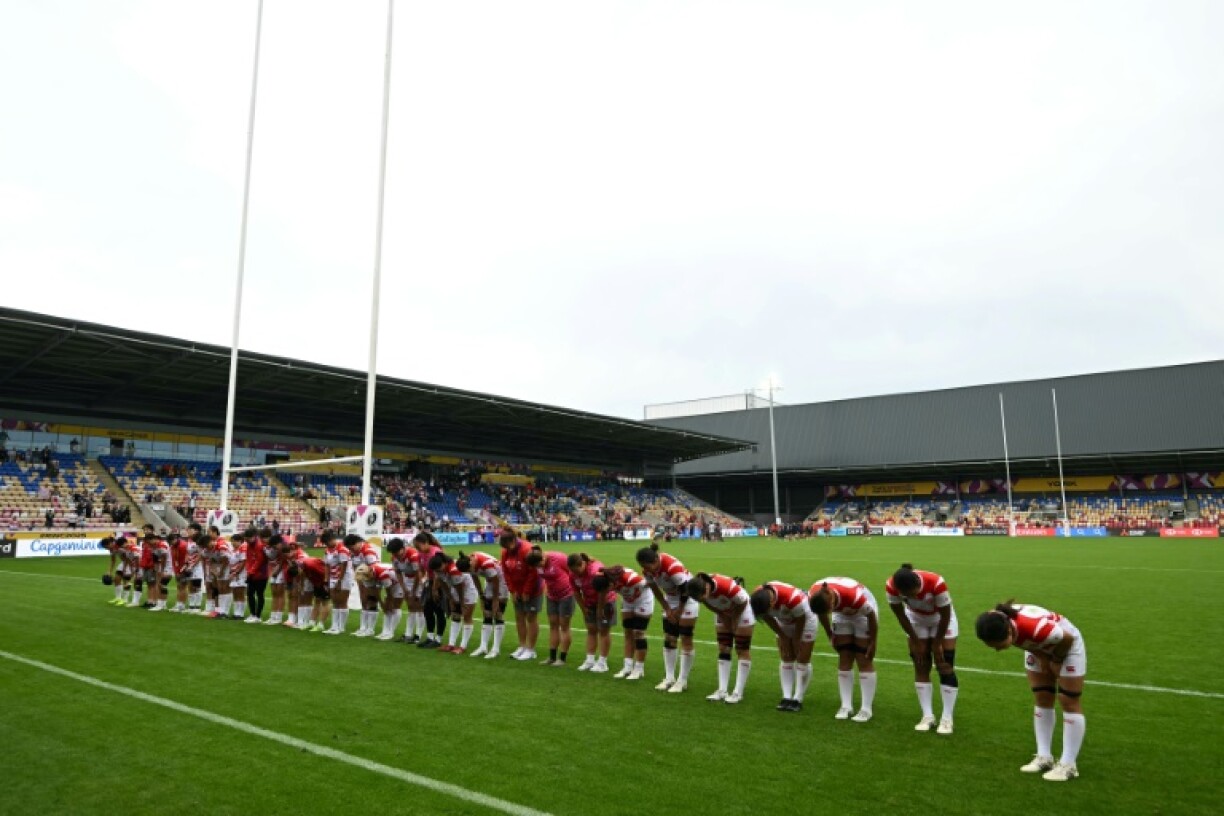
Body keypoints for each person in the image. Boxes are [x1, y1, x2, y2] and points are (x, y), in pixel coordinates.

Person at [975, 602, 1087, 782]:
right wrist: (1042, 657)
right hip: (1037, 646)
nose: (997, 649)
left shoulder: (1035, 628)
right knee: (1042, 696)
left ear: (1009, 632)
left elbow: (1066, 639)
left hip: (1066, 645)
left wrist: (1055, 660)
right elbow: (1028, 643)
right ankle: (1044, 757)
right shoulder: (996, 622)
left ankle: (1068, 764)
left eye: (998, 644)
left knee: (1068, 700)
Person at [885, 563, 959, 733]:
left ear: (918, 584)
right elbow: (901, 616)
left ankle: (947, 719)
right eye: (908, 596)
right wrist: (915, 640)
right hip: (916, 620)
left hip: (941, 619)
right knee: (920, 662)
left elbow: (946, 615)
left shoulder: (936, 582)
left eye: (914, 593)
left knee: (945, 664)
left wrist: (936, 643)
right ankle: (928, 716)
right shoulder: (891, 587)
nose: (913, 597)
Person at [808, 577, 879, 722]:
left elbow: (871, 615)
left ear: (831, 599)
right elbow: (822, 614)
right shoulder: (814, 596)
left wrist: (873, 641)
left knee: (863, 656)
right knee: (844, 655)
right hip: (842, 613)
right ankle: (846, 705)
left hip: (862, 614)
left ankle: (866, 708)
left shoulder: (854, 596)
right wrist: (830, 634)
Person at [636, 542, 697, 693]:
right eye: (643, 566)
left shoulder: (672, 567)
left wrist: (679, 611)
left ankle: (682, 680)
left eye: (648, 566)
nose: (646, 569)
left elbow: (686, 590)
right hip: (671, 599)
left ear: (656, 560)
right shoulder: (647, 570)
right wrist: (667, 609)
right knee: (670, 638)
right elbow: (655, 590)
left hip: (688, 598)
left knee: (685, 637)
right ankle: (669, 678)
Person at [685, 573, 754, 703]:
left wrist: (733, 621)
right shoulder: (697, 588)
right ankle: (722, 690)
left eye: (702, 597)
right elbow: (707, 603)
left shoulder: (725, 586)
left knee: (741, 649)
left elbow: (743, 602)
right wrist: (722, 615)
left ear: (706, 588)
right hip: (722, 610)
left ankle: (737, 693)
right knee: (724, 648)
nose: (701, 600)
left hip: (742, 609)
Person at [750, 581, 817, 712]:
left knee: (802, 656)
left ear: (771, 602)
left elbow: (801, 619)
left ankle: (798, 698)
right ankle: (786, 697)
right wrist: (783, 636)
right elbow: (768, 618)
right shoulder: (758, 598)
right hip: (784, 619)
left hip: (805, 618)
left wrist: (796, 639)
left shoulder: (791, 597)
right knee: (786, 655)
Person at [592, 565, 654, 680]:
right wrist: (600, 611)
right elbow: (602, 594)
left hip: (644, 600)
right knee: (628, 633)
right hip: (628, 601)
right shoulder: (603, 580)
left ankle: (639, 668)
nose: (608, 592)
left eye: (608, 590)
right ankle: (627, 667)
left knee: (638, 633)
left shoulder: (631, 579)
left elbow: (650, 584)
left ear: (610, 583)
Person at [567, 552, 615, 673]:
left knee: (604, 630)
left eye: (577, 571)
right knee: (591, 629)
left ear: (582, 564)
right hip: (589, 602)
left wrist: (600, 609)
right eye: (573, 571)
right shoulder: (573, 574)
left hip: (605, 600)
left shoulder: (595, 571)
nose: (575, 574)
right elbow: (576, 592)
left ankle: (603, 662)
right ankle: (590, 660)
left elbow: (603, 591)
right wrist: (584, 609)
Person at [526, 546, 574, 666]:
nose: (538, 568)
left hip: (566, 595)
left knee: (564, 626)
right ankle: (552, 657)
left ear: (542, 559)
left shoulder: (558, 558)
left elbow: (572, 572)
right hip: (552, 596)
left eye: (539, 565)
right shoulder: (537, 564)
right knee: (553, 624)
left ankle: (562, 658)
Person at [499, 528, 543, 661]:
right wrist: (513, 591)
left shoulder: (526, 549)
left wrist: (526, 591)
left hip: (533, 589)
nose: (507, 548)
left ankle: (531, 649)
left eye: (508, 545)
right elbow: (506, 572)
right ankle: (522, 646)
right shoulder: (505, 552)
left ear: (513, 540)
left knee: (531, 617)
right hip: (517, 590)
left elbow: (533, 573)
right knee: (519, 617)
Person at [430, 552, 477, 654]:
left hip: (467, 591)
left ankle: (463, 646)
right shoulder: (439, 570)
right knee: (455, 616)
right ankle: (451, 644)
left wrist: (461, 602)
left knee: (466, 617)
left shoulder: (453, 570)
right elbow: (442, 583)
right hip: (455, 590)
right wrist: (450, 598)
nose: (438, 571)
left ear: (444, 563)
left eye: (439, 569)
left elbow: (460, 587)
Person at [468, 550, 508, 659]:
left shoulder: (487, 564)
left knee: (498, 612)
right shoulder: (468, 563)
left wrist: (496, 600)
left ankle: (496, 649)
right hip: (490, 579)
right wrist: (481, 596)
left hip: (501, 579)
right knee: (487, 613)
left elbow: (496, 581)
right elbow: (475, 578)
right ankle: (483, 646)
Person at [387, 538, 425, 643]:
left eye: (397, 552)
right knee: (410, 606)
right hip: (407, 579)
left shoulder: (412, 555)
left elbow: (418, 574)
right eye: (394, 553)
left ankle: (418, 635)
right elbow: (398, 573)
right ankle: (408, 634)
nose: (396, 555)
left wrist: (413, 591)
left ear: (403, 548)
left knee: (419, 607)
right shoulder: (394, 557)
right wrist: (404, 588)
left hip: (420, 578)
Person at [414, 532, 446, 648]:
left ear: (426, 543)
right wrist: (423, 580)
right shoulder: (421, 553)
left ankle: (438, 639)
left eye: (419, 546)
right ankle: (430, 637)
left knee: (439, 611)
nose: (418, 549)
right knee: (427, 610)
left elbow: (439, 572)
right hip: (429, 582)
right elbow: (420, 568)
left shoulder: (436, 552)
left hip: (440, 583)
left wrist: (435, 589)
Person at [355, 563, 402, 641]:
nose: (366, 580)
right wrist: (382, 604)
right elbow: (374, 592)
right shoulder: (366, 577)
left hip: (398, 582)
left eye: (366, 577)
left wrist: (387, 603)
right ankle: (385, 631)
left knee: (394, 606)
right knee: (386, 608)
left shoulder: (383, 574)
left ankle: (390, 632)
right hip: (386, 582)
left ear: (370, 572)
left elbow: (389, 591)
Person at [346, 534, 381, 636]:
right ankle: (363, 627)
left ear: (358, 543)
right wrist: (360, 582)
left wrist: (368, 583)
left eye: (352, 547)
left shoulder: (367, 551)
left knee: (371, 602)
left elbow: (374, 567)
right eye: (349, 548)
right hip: (363, 580)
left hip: (373, 579)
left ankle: (370, 629)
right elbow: (355, 567)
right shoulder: (353, 553)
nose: (351, 550)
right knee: (364, 602)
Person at [287, 555, 331, 633]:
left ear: (298, 569)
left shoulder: (311, 565)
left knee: (325, 602)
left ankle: (321, 624)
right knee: (316, 601)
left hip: (323, 582)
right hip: (316, 582)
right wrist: (302, 585)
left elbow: (325, 572)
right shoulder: (299, 565)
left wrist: (326, 583)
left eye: (298, 574)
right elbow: (304, 574)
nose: (299, 576)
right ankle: (312, 622)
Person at [323, 533, 352, 635]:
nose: (326, 545)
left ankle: (341, 627)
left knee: (342, 601)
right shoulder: (327, 550)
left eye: (327, 542)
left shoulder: (342, 549)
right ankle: (334, 626)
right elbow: (326, 565)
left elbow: (344, 565)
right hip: (332, 577)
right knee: (335, 601)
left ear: (332, 539)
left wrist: (340, 581)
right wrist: (326, 579)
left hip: (344, 578)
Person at [244, 527, 271, 623]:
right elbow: (248, 558)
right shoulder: (248, 545)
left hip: (261, 574)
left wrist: (251, 571)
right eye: (246, 539)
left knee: (259, 594)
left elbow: (260, 560)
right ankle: (252, 614)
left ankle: (258, 616)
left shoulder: (259, 546)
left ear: (254, 536)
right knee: (250, 594)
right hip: (252, 573)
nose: (247, 540)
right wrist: (248, 570)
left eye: (248, 538)